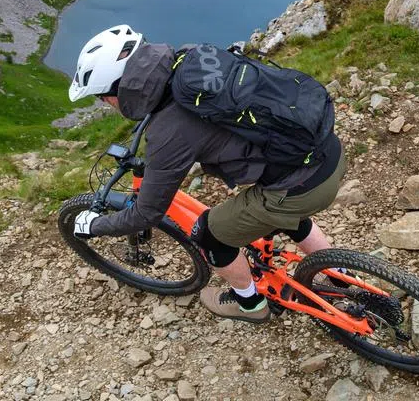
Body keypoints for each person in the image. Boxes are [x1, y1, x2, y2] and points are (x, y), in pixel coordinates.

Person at [67, 25, 347, 323]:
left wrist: (94, 226)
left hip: (300, 188)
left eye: (102, 97)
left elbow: (145, 215)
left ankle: (250, 305)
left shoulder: (168, 133)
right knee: (287, 217)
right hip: (326, 151)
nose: (105, 104)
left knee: (208, 235)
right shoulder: (188, 59)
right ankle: (341, 279)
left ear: (120, 88)